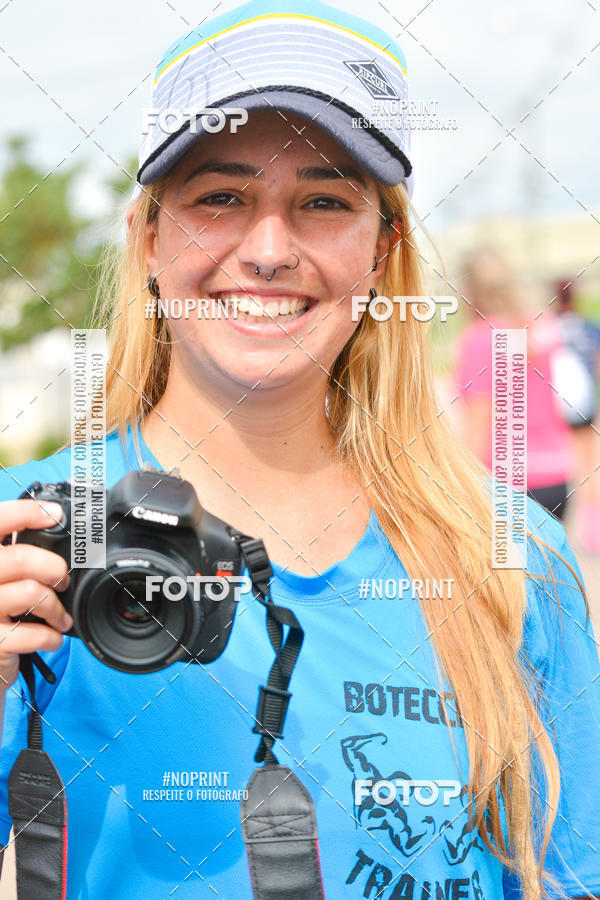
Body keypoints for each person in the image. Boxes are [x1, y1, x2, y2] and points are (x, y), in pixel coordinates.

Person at [0, 2, 599, 898]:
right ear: (151, 237)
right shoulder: (32, 537)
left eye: (324, 201)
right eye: (220, 198)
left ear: (382, 249)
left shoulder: (512, 560)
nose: (270, 250)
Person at [453, 248, 574, 521]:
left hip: (507, 486)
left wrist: (462, 493)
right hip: (556, 476)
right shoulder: (544, 323)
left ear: (469, 291)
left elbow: (479, 424)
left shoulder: (479, 339)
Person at [554, 278, 600, 552]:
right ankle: (591, 530)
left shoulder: (548, 329)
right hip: (584, 404)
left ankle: (561, 529)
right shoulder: (588, 326)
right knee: (588, 464)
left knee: (569, 464)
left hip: (558, 405)